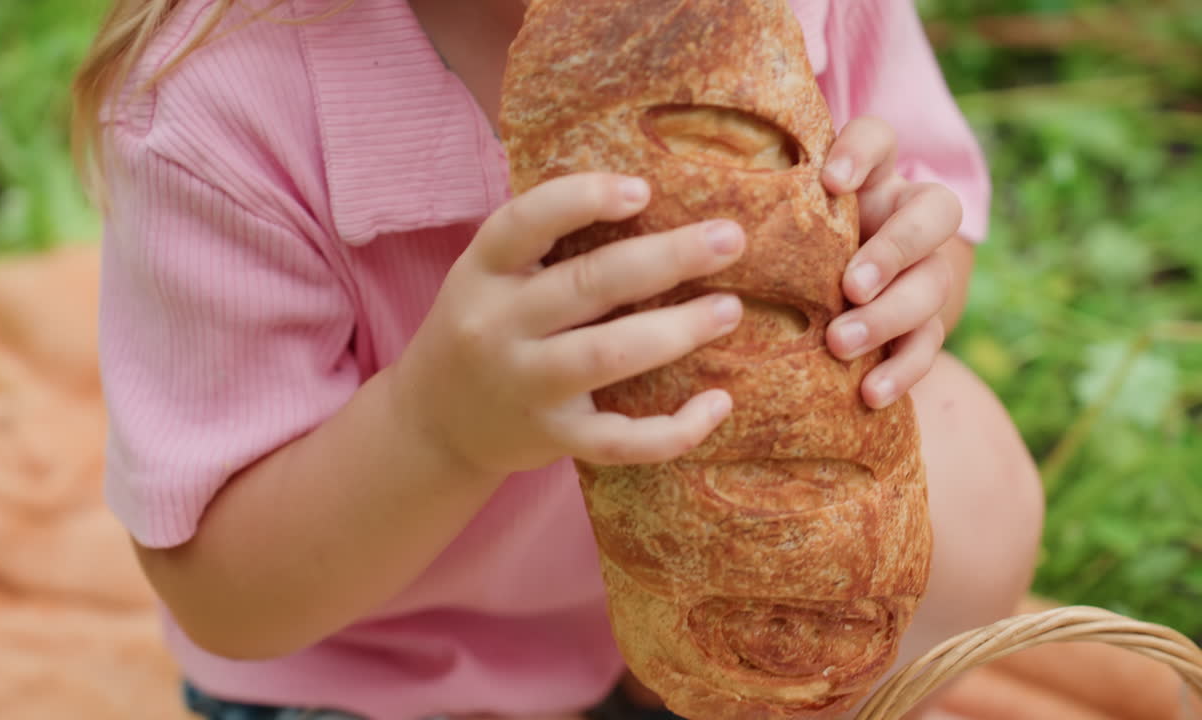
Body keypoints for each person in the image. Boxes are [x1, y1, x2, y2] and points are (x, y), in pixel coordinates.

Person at [71, 0, 1044, 718]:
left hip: (684, 608)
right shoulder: (213, 100)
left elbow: (922, 196)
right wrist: (435, 427)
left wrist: (899, 267)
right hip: (383, 673)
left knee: (971, 471)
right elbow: (229, 599)